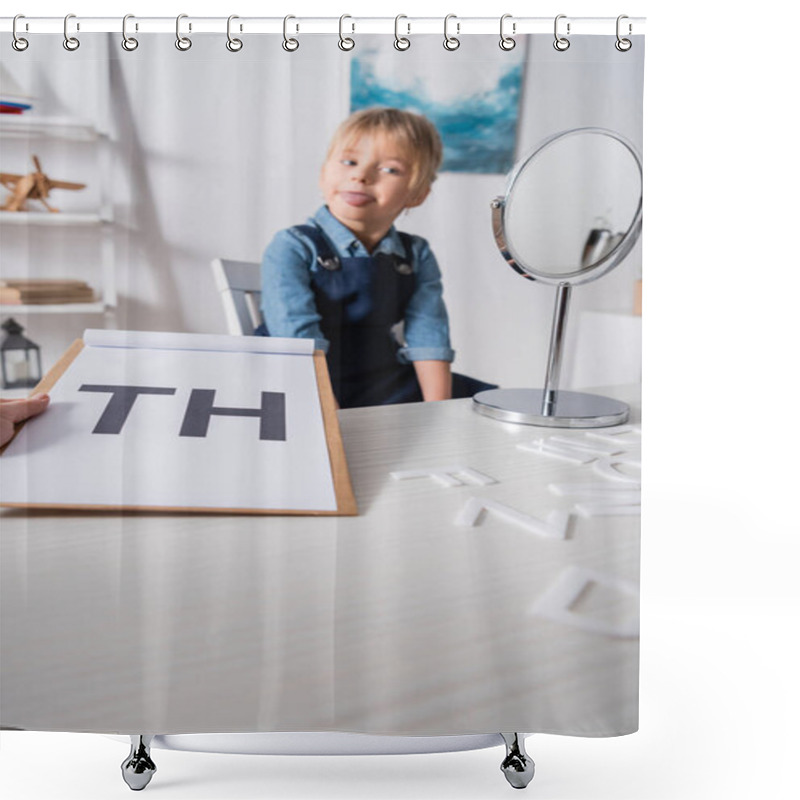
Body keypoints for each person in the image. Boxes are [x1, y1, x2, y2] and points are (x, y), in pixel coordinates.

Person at [260, 107, 494, 409]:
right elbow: (298, 340)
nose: (361, 175)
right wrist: (330, 421)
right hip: (301, 376)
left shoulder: (415, 255)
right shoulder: (293, 246)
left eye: (389, 169)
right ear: (322, 176)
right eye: (349, 161)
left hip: (377, 376)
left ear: (417, 193)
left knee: (483, 407)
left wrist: (438, 413)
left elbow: (429, 337)